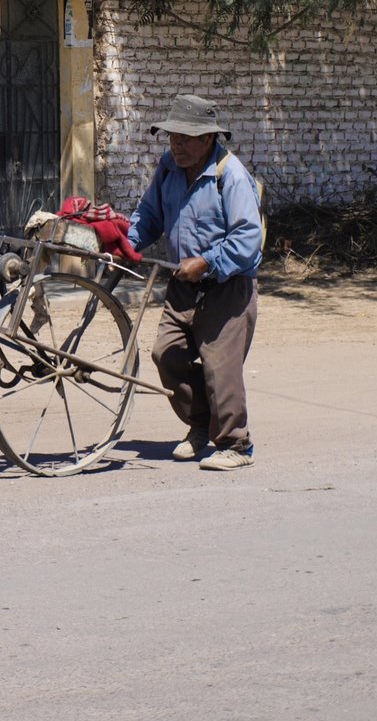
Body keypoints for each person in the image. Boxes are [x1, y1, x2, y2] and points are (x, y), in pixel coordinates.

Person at [128, 94, 262, 470]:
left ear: (208, 139)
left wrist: (205, 263)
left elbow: (248, 240)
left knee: (220, 367)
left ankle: (237, 444)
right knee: (166, 354)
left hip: (227, 286)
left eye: (186, 138)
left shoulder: (229, 174)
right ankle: (200, 427)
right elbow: (149, 215)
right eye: (173, 136)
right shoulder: (169, 167)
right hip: (182, 286)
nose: (176, 145)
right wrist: (126, 242)